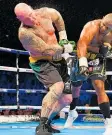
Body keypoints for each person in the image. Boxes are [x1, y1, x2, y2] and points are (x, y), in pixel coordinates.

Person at [14, 3, 75, 135]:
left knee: (67, 99)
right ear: (20, 20)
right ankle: (41, 127)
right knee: (58, 86)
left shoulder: (45, 13)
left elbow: (58, 18)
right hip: (41, 61)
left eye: (31, 15)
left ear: (32, 9)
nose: (32, 19)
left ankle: (46, 122)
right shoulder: (25, 33)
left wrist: (63, 37)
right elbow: (45, 50)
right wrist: (65, 49)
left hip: (58, 60)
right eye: (27, 19)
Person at [64, 13, 112, 135]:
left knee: (99, 86)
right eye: (103, 25)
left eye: (108, 28)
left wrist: (109, 52)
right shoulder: (92, 26)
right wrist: (83, 62)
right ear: (102, 19)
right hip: (82, 54)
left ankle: (109, 125)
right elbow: (81, 43)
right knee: (75, 87)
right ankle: (72, 113)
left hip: (97, 59)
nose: (104, 29)